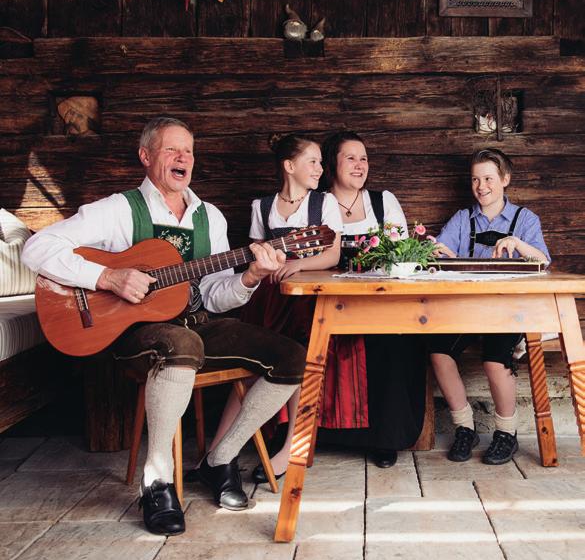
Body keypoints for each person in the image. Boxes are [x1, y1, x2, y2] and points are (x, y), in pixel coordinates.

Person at [21, 116, 306, 536]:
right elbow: (37, 246)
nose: (183, 158)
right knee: (180, 344)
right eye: (172, 149)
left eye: (188, 151)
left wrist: (250, 278)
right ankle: (157, 482)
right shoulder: (118, 209)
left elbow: (212, 295)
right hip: (133, 334)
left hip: (197, 322)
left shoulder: (209, 216)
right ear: (146, 156)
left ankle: (219, 458)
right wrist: (107, 278)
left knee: (291, 356)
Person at [206, 133, 342, 484]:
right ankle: (219, 450)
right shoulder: (261, 206)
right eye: (312, 161)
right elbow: (257, 255)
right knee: (250, 367)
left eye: (320, 162)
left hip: (306, 295)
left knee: (297, 360)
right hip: (267, 296)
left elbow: (333, 254)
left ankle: (294, 448)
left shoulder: (323, 203)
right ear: (289, 166)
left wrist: (299, 265)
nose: (320, 168)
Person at [430, 148, 550, 465]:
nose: (481, 186)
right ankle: (465, 428)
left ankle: (506, 434)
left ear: (504, 180)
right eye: (475, 179)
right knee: (438, 351)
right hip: (466, 308)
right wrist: (442, 256)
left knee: (495, 361)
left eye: (488, 178)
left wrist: (519, 244)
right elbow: (442, 260)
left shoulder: (525, 219)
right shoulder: (462, 219)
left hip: (506, 310)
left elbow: (544, 262)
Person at [317, 130, 428, 467]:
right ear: (331, 165)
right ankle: (322, 435)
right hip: (332, 300)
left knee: (394, 341)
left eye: (363, 158)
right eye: (350, 157)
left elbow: (404, 253)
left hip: (381, 299)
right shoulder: (318, 204)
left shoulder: (383, 202)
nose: (359, 164)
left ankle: (386, 438)